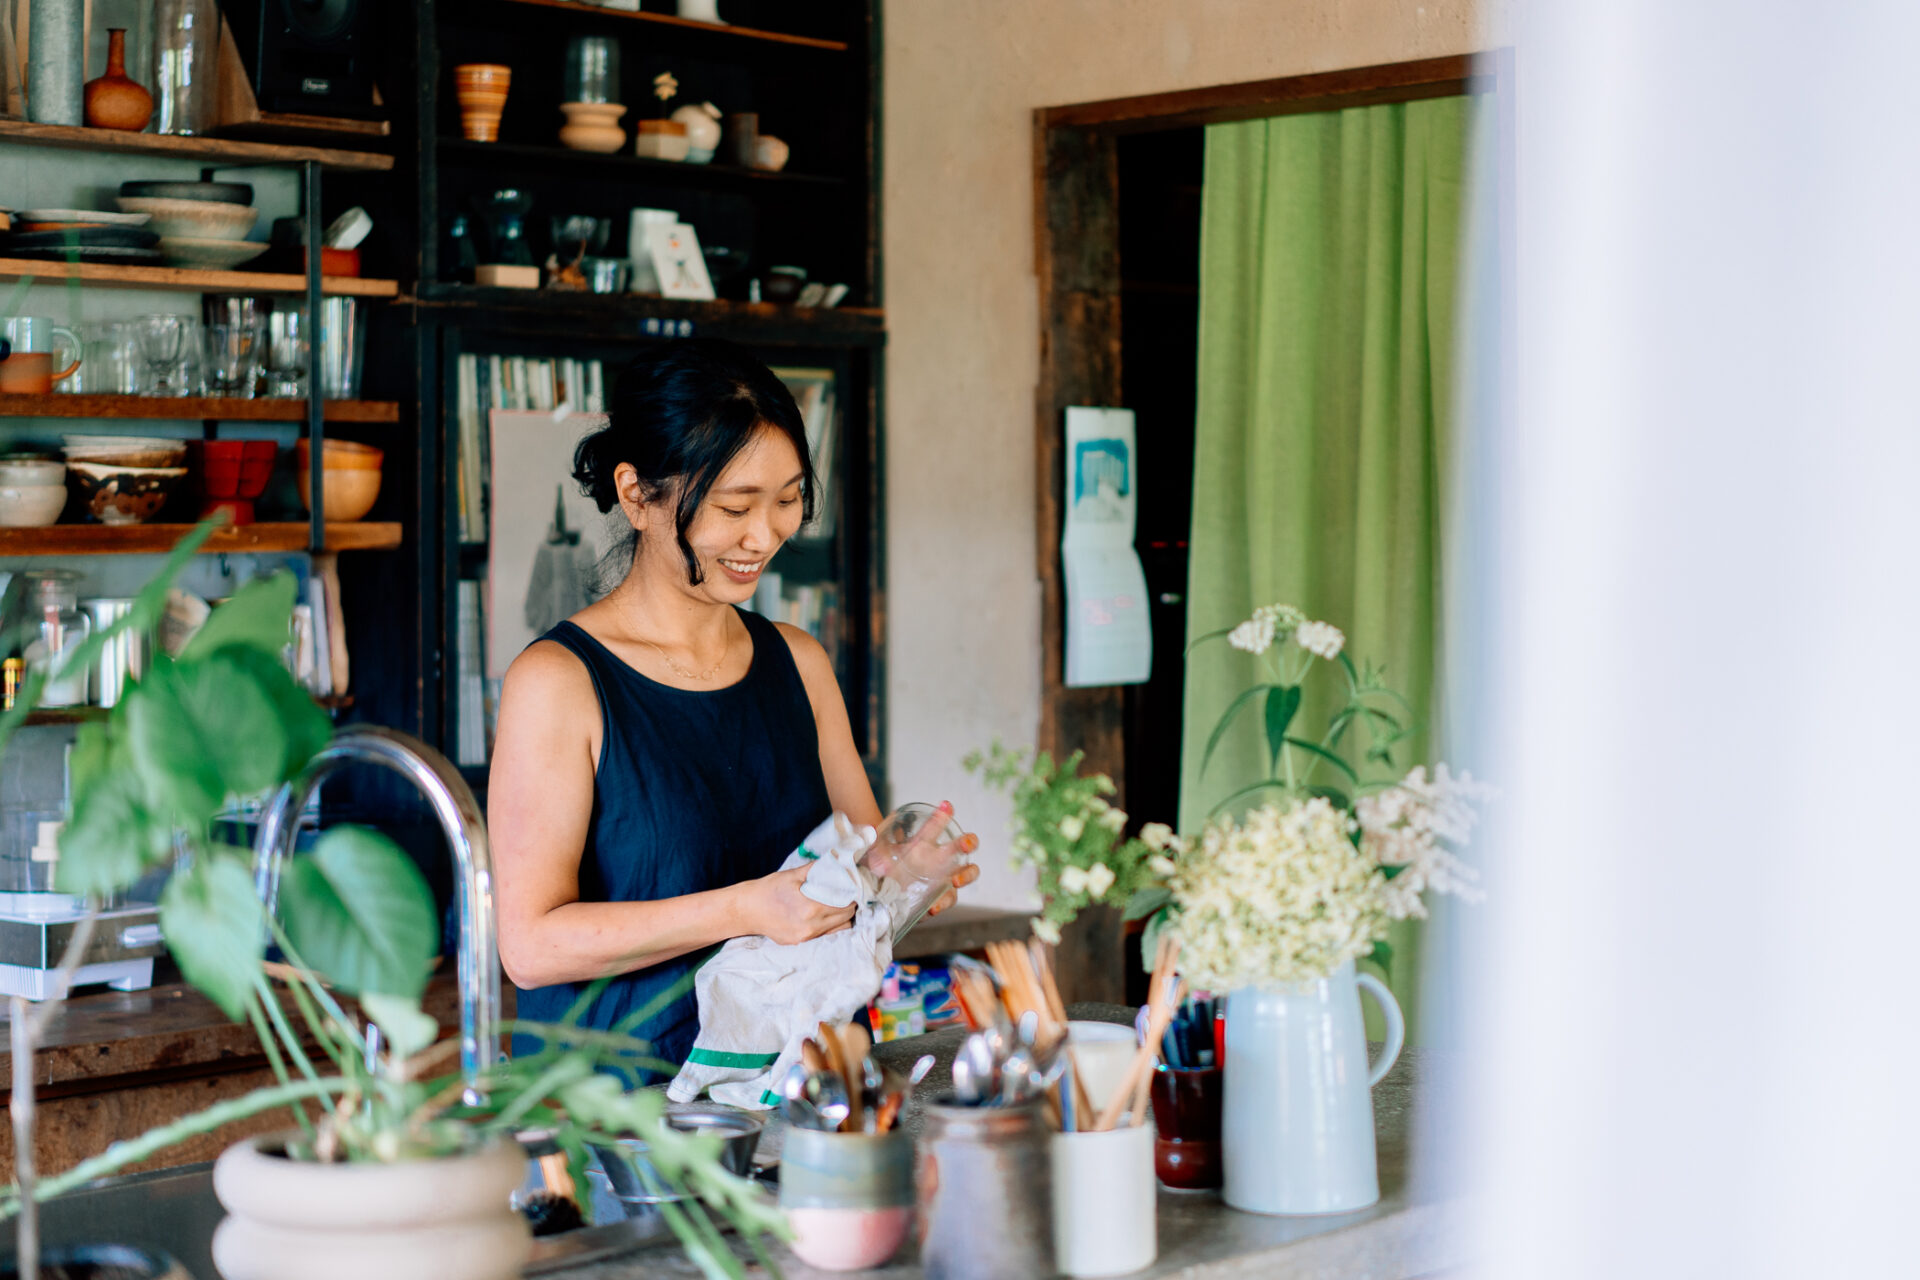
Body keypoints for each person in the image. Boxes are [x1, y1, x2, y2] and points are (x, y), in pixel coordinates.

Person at [490, 338, 979, 1071]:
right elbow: (529, 947)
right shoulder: (559, 682)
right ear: (636, 495)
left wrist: (904, 880)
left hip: (804, 1089)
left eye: (786, 501)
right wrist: (744, 908)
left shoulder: (799, 662)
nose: (765, 535)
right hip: (625, 1119)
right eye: (734, 506)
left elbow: (856, 873)